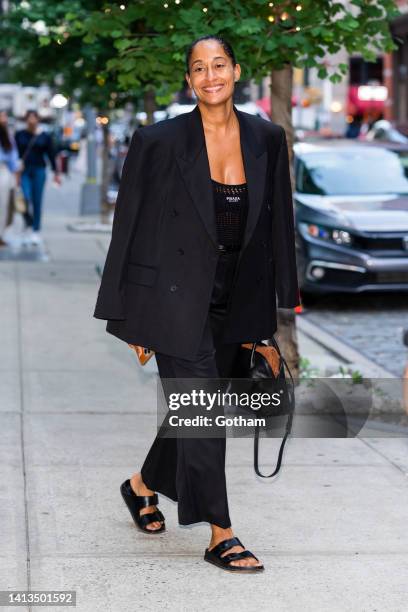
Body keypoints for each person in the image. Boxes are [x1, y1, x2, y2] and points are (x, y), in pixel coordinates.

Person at [93, 35, 300, 573]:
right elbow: (129, 227)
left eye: (219, 65)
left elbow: (278, 224)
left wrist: (275, 312)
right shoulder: (158, 141)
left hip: (238, 300)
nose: (210, 76)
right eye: (198, 68)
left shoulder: (266, 137)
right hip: (172, 299)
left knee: (195, 411)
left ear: (236, 70)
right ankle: (221, 534)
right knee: (205, 412)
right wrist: (127, 314)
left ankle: (140, 486)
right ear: (189, 80)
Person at [15, 110, 61, 246]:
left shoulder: (44, 136)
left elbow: (51, 154)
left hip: (39, 170)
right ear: (25, 120)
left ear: (38, 120)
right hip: (24, 171)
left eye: (34, 118)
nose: (31, 120)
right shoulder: (19, 134)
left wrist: (56, 173)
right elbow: (14, 152)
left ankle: (35, 230)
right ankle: (27, 223)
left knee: (37, 201)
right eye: (29, 118)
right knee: (25, 197)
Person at [0, 111, 19, 247]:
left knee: (3, 205)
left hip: (3, 171)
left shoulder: (7, 136)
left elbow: (13, 158)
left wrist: (16, 176)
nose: (4, 119)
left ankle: (0, 234)